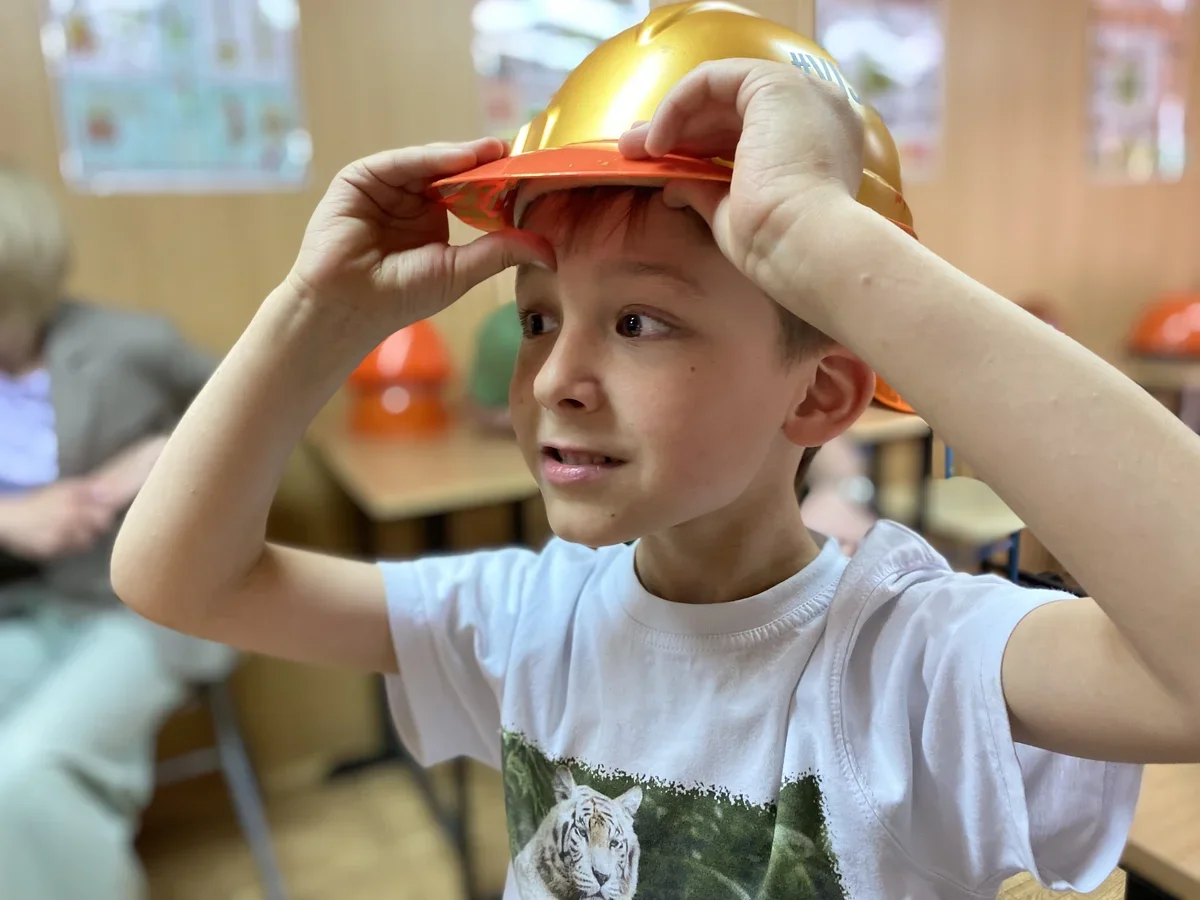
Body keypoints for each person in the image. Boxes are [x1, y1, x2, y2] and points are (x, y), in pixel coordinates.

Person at [114, 5, 1200, 898]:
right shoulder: (529, 621)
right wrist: (314, 315)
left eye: (638, 322)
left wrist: (811, 237)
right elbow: (177, 578)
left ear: (821, 393)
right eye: (538, 317)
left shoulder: (905, 667)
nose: (555, 377)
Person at [0, 165, 233, 900]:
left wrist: (163, 453)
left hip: (146, 608)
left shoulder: (129, 343)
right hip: (35, 610)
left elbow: (263, 411)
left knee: (24, 775)